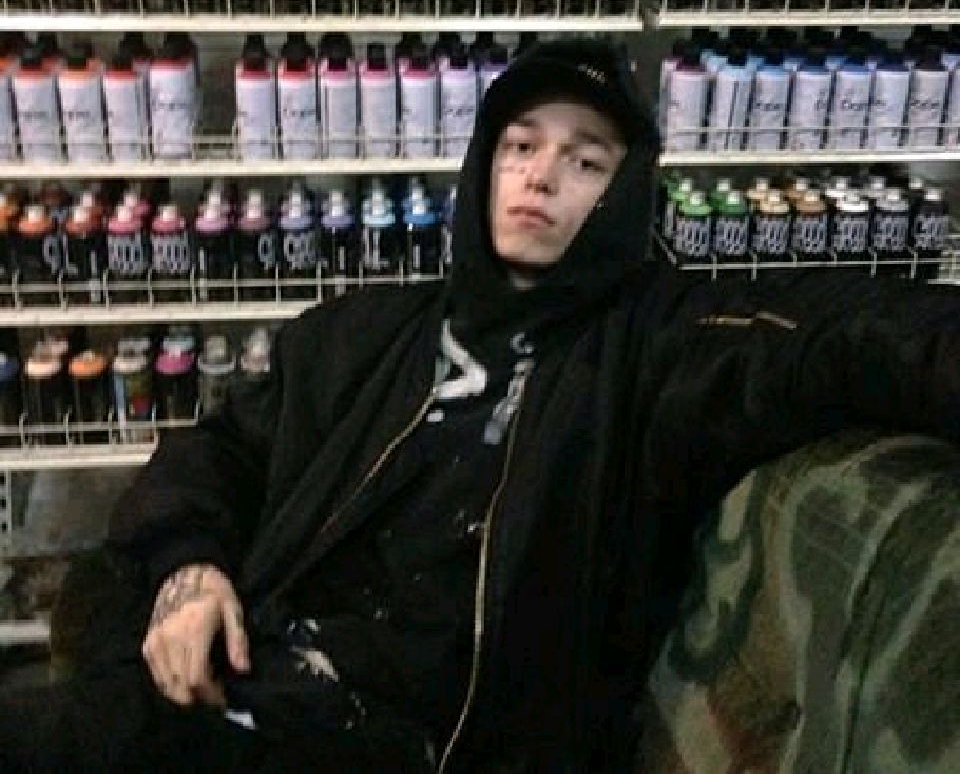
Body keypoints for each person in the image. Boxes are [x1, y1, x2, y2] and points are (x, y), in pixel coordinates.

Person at [2, 38, 960, 774]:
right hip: (253, 678)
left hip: (430, 745)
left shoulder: (659, 346)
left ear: (625, 195)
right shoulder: (363, 333)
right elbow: (217, 451)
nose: (541, 175)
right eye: (520, 146)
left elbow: (850, 334)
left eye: (585, 161)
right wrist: (191, 569)